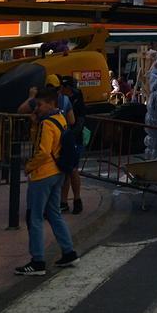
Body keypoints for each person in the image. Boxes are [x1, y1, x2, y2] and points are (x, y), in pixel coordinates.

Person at [15, 87, 77, 276]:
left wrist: (29, 166)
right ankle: (68, 251)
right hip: (58, 172)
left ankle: (37, 261)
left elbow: (42, 150)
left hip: (43, 174)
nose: (37, 108)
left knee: (34, 217)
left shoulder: (46, 124)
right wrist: (35, 123)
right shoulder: (60, 119)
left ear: (51, 103)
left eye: (40, 104)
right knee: (54, 213)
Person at [59, 76, 87, 214]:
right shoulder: (70, 99)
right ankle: (65, 201)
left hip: (74, 140)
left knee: (72, 170)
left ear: (66, 88)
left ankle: (75, 200)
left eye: (62, 87)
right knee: (68, 172)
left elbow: (79, 123)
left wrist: (69, 137)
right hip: (70, 139)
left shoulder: (76, 102)